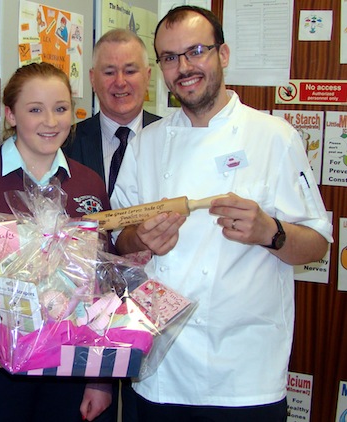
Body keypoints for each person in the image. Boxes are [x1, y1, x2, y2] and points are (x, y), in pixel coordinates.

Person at [112, 6, 333, 422]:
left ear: (224, 54)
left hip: (245, 375)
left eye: (196, 51)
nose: (184, 67)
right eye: (170, 57)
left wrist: (271, 232)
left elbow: (317, 244)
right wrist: (140, 240)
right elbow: (118, 243)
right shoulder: (146, 144)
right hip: (161, 372)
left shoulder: (274, 138)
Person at [0, 62, 114, 422]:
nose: (50, 121)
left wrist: (100, 378)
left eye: (61, 108)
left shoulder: (88, 184)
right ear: (10, 114)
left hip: (69, 370)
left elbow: (102, 288)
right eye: (35, 109)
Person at [63, 28, 161, 196]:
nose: (120, 82)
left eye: (130, 71)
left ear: (147, 76)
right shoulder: (66, 144)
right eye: (109, 72)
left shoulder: (169, 138)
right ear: (93, 79)